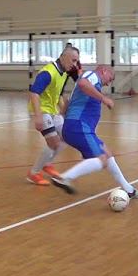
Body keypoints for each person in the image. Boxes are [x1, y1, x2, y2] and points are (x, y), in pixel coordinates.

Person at [50, 64, 138, 199]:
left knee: (108, 154)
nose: (108, 83)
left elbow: (70, 101)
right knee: (102, 160)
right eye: (110, 78)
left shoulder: (91, 84)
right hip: (79, 126)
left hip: (78, 127)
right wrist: (104, 98)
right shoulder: (92, 76)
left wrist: (63, 119)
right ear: (104, 71)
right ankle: (64, 177)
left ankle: (128, 189)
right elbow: (83, 83)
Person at [26, 45, 80, 186]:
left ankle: (47, 163)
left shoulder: (64, 73)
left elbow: (58, 94)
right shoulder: (48, 72)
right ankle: (34, 173)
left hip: (52, 110)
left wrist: (63, 109)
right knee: (54, 143)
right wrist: (38, 116)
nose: (75, 64)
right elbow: (34, 93)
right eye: (73, 60)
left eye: (76, 61)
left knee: (68, 136)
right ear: (63, 57)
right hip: (41, 110)